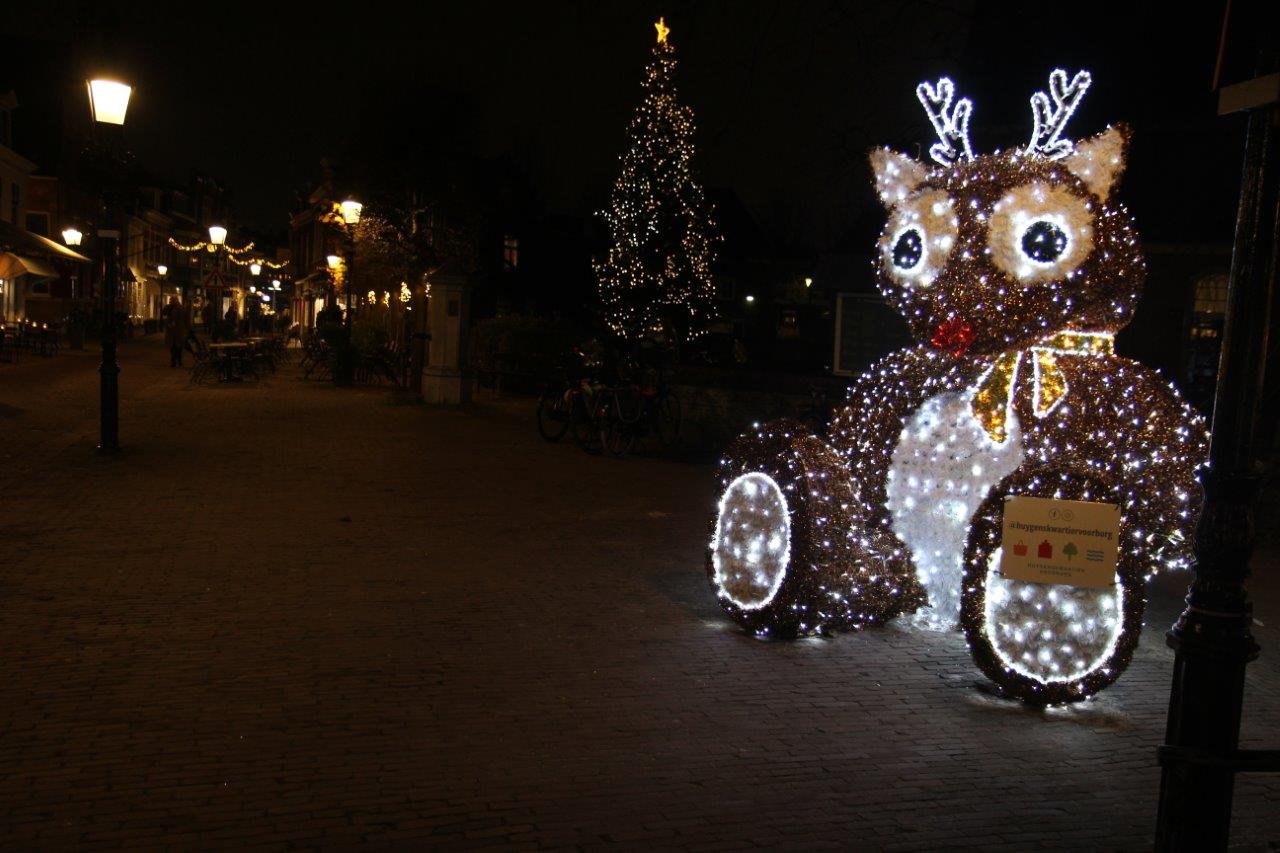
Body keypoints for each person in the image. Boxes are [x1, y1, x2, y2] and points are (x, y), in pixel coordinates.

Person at [162, 296, 191, 368]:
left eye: (172, 300)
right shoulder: (169, 308)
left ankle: (177, 361)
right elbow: (164, 313)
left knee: (178, 347)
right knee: (173, 347)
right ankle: (175, 361)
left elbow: (186, 319)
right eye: (170, 301)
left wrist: (187, 329)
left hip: (178, 331)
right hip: (172, 331)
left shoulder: (181, 308)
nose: (171, 302)